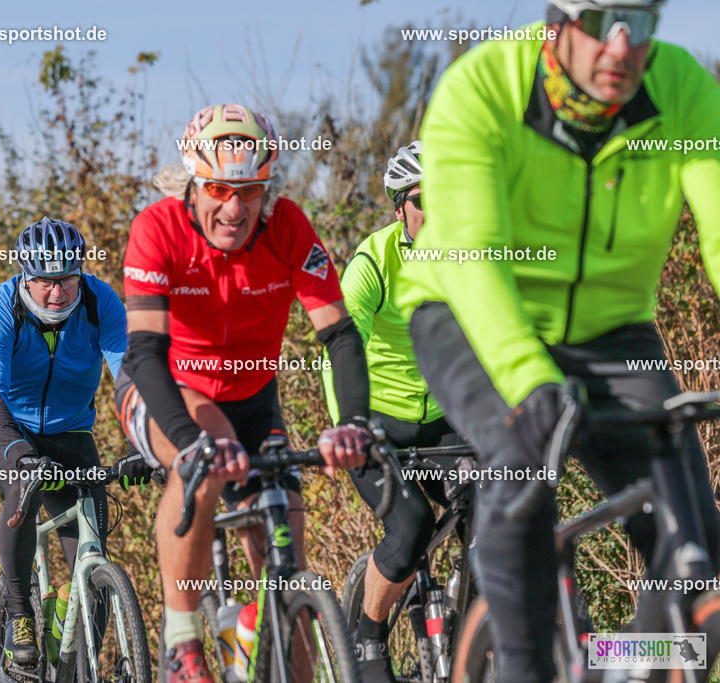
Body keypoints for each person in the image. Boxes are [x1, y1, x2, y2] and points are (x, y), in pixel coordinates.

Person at [395, 1, 720, 680]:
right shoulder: (481, 89)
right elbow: (472, 254)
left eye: (642, 22)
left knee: (696, 546)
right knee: (521, 459)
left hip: (610, 329)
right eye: (604, 23)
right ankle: (525, 666)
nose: (623, 47)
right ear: (558, 24)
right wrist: (529, 381)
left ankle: (628, 660)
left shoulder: (683, 87)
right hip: (468, 309)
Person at [116, 103, 372, 683]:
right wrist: (188, 442)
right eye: (218, 191)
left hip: (253, 397)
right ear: (192, 183)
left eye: (250, 192)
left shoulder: (287, 227)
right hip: (164, 387)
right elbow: (145, 354)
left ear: (267, 188)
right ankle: (182, 642)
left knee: (286, 563)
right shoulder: (157, 230)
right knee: (204, 462)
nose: (234, 209)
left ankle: (264, 636)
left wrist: (353, 421)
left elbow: (339, 335)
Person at [0, 218, 152, 667]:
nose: (58, 293)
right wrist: (21, 455)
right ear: (25, 277)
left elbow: (129, 377)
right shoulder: (1, 307)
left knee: (92, 560)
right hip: (4, 427)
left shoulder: (99, 301)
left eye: (68, 278)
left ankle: (78, 667)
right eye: (46, 281)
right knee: (22, 490)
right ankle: (20, 610)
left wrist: (146, 442)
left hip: (71, 431)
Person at [322, 142, 466, 683]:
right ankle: (368, 635)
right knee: (409, 529)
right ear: (400, 207)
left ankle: (467, 619)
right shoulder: (372, 264)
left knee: (497, 503)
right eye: (426, 199)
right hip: (376, 421)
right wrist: (349, 425)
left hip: (443, 417)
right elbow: (339, 347)